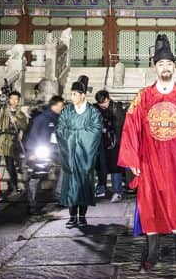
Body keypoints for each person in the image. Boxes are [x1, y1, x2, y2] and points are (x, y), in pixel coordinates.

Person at [118, 35, 176, 272]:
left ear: (175, 67)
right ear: (154, 67)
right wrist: (132, 160)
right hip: (150, 161)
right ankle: (151, 253)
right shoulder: (144, 96)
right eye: (161, 64)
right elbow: (131, 127)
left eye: (169, 64)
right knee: (151, 207)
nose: (165, 68)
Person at [56, 76, 102, 228]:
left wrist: (75, 134)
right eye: (72, 94)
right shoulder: (67, 112)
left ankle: (82, 216)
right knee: (71, 186)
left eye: (75, 94)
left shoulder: (93, 112)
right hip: (70, 156)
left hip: (85, 157)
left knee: (84, 185)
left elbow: (95, 131)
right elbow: (60, 129)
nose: (72, 97)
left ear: (83, 95)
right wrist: (75, 135)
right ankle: (72, 216)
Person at [0, 89, 29, 198]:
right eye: (12, 98)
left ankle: (14, 186)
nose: (15, 101)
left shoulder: (20, 114)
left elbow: (24, 126)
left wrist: (16, 120)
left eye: (17, 99)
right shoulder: (1, 109)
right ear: (9, 99)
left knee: (10, 166)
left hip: (10, 141)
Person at [24, 95, 65, 215]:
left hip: (54, 150)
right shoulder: (41, 118)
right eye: (61, 106)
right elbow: (33, 135)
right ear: (56, 105)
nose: (62, 108)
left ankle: (59, 195)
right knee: (36, 176)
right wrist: (31, 152)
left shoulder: (58, 118)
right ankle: (31, 203)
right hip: (40, 151)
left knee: (65, 168)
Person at [95, 90, 127, 202]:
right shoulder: (97, 109)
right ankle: (101, 188)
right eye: (100, 103)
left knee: (115, 168)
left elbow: (122, 126)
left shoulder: (116, 109)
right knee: (101, 166)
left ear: (108, 99)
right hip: (102, 142)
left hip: (115, 143)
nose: (103, 105)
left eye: (104, 102)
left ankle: (117, 191)